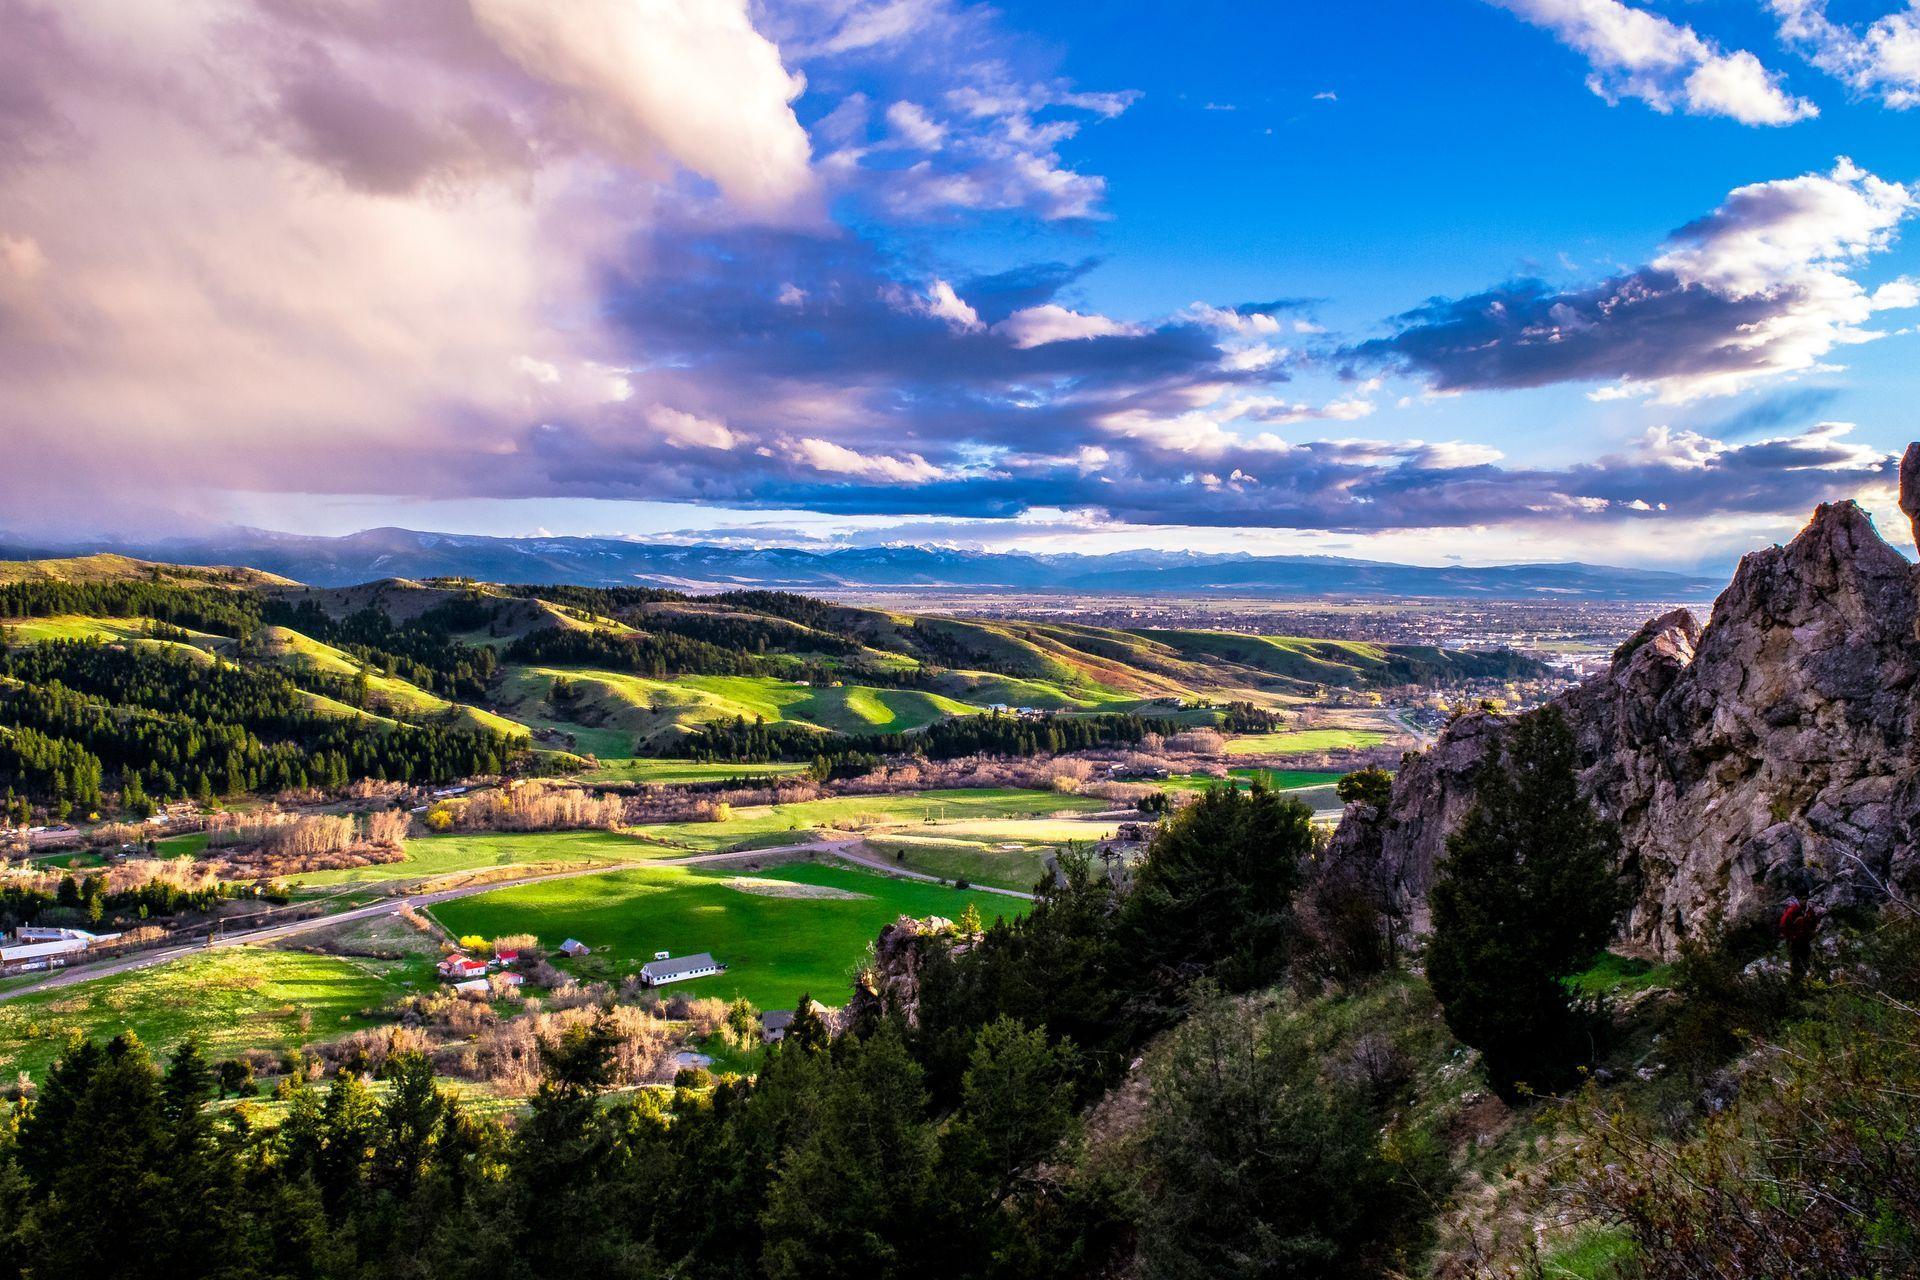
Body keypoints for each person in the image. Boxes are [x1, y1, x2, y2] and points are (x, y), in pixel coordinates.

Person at [1778, 896, 1822, 982]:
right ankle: (1796, 981)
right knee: (1796, 960)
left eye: (1806, 898)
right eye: (1802, 899)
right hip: (1794, 940)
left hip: (1805, 939)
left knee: (1806, 957)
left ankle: (1805, 979)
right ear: (1798, 899)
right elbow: (1783, 925)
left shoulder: (1809, 910)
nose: (1804, 901)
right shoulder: (1792, 911)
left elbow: (1814, 922)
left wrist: (1812, 932)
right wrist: (1791, 936)